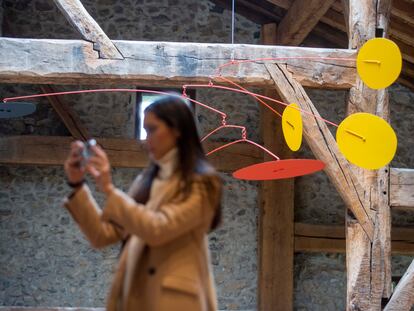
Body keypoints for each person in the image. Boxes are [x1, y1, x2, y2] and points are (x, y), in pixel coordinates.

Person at [63, 95, 222, 311]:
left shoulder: (202, 182)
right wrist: (77, 184)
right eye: (145, 131)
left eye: (152, 129)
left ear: (177, 130)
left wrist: (109, 189)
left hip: (176, 303)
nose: (146, 140)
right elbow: (103, 235)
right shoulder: (146, 181)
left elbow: (158, 229)